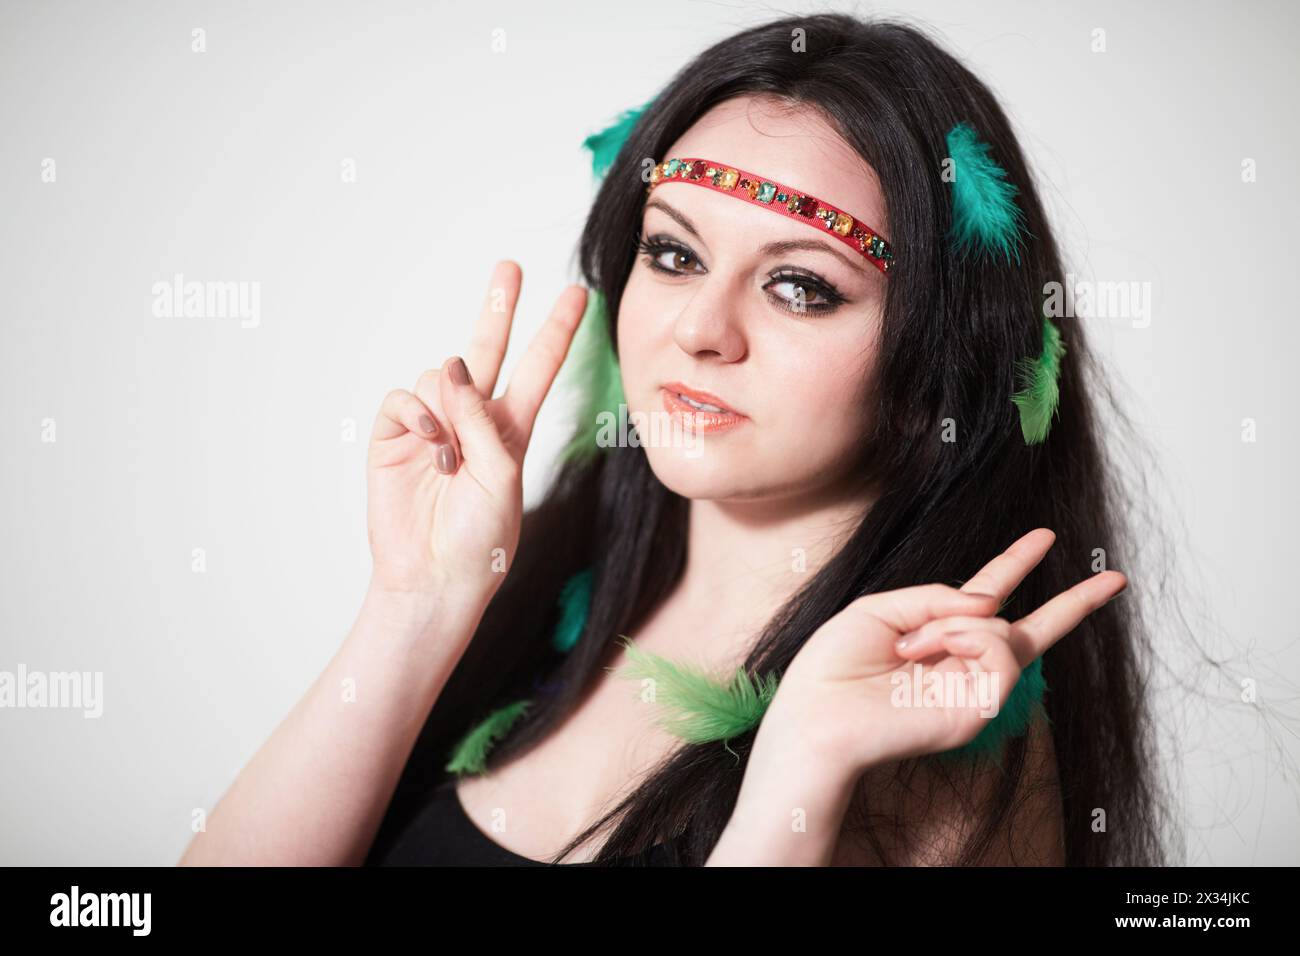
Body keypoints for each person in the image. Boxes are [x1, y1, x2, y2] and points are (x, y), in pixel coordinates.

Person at [180, 13, 1166, 867]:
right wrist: (415, 606)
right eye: (673, 252)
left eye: (800, 285)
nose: (700, 328)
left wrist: (801, 775)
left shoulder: (939, 734)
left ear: (935, 371)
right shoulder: (527, 591)